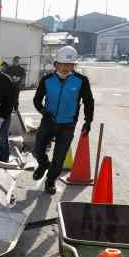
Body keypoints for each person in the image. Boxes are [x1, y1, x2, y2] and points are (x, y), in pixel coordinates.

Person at [32, 45, 94, 194]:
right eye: (63, 64)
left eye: (70, 65)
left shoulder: (81, 80)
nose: (66, 68)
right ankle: (43, 164)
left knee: (59, 157)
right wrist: (43, 111)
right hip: (48, 121)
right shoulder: (47, 80)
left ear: (74, 65)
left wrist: (88, 121)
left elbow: (88, 101)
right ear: (56, 64)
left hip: (67, 124)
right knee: (37, 150)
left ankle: (50, 181)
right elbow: (37, 99)